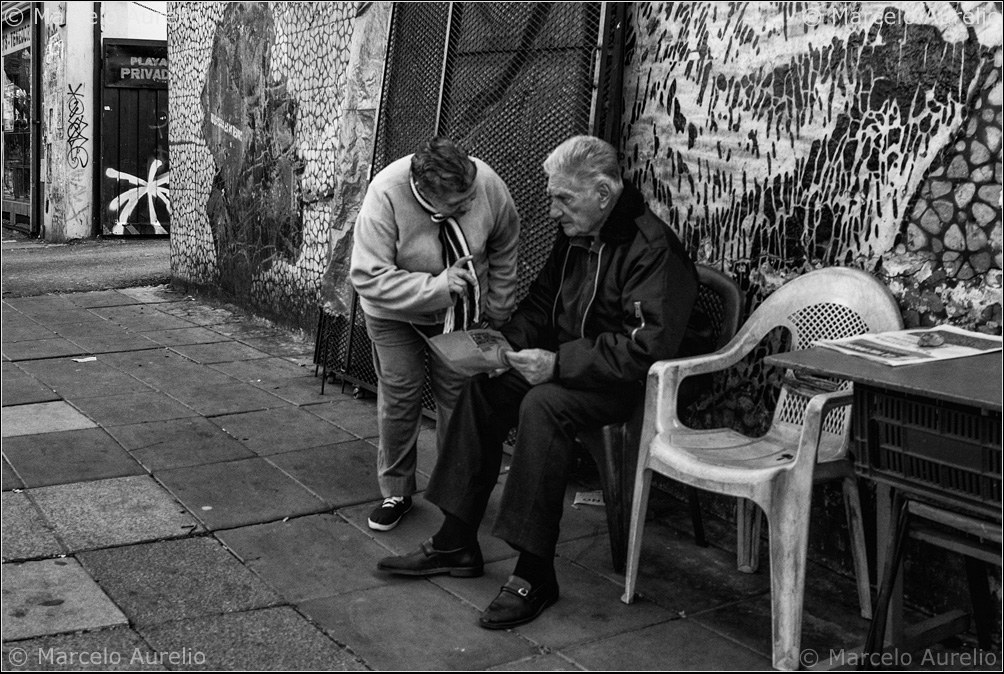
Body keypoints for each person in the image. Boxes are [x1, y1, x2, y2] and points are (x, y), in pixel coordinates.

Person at [375, 135, 701, 629]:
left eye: (563, 199)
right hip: (572, 367)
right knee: (484, 386)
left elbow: (644, 350)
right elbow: (540, 304)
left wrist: (558, 364)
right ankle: (455, 542)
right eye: (552, 197)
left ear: (604, 194)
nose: (552, 211)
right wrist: (502, 348)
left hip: (628, 384)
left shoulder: (651, 249)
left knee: (543, 406)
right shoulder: (575, 234)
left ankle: (534, 572)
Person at [349, 136, 520, 532]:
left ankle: (455, 491)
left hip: (462, 311)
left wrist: (499, 304)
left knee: (458, 401)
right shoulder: (385, 195)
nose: (470, 205)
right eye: (458, 205)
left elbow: (506, 242)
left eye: (471, 195)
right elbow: (367, 277)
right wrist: (436, 289)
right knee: (401, 394)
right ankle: (396, 490)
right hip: (395, 314)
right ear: (425, 194)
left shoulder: (486, 184)